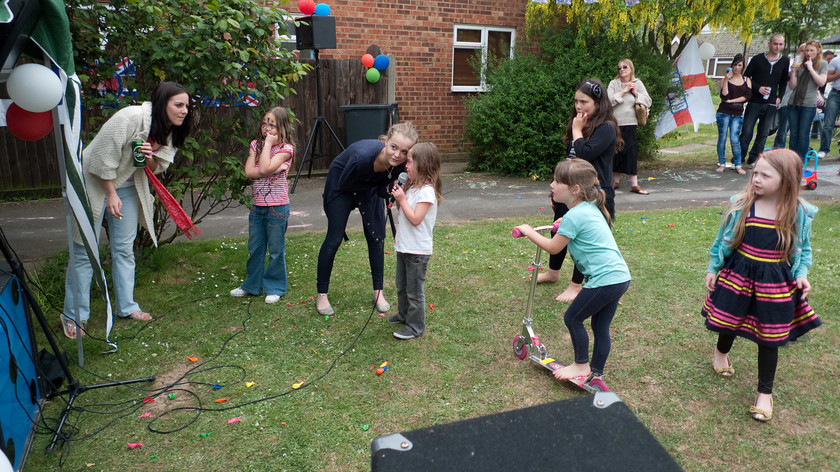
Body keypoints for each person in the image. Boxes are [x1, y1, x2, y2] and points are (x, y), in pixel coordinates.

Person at [62, 82, 192, 338]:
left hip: (129, 185)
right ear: (161, 103)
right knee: (84, 250)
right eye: (179, 105)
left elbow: (157, 167)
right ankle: (74, 315)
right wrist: (110, 193)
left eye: (187, 105)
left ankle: (126, 306)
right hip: (92, 181)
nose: (185, 110)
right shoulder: (130, 117)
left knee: (124, 247)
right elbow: (101, 157)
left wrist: (149, 155)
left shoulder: (169, 130)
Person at [702, 149, 821, 422]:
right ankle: (721, 354)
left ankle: (764, 394)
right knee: (729, 320)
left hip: (775, 282)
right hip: (739, 275)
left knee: (770, 336)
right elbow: (723, 240)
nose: (756, 178)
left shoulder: (798, 212)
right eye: (755, 172)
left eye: (765, 175)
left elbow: (802, 250)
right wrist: (713, 267)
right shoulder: (741, 203)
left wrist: (801, 274)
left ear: (787, 179)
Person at [515, 159, 631, 382]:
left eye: (558, 181)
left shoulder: (574, 216)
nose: (551, 184)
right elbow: (574, 227)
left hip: (604, 280)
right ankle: (595, 371)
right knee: (600, 325)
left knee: (573, 318)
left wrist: (528, 231)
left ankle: (580, 365)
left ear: (575, 189)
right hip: (619, 277)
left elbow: (553, 247)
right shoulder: (588, 208)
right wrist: (562, 223)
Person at [315, 122, 418, 316]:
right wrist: (378, 188)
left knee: (376, 237)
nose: (397, 155)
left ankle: (378, 292)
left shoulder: (399, 166)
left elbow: (382, 189)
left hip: (368, 185)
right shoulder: (362, 157)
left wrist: (389, 188)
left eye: (404, 151)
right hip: (342, 184)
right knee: (334, 238)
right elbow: (346, 183)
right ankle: (322, 294)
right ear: (386, 141)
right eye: (393, 147)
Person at [537, 78, 623, 303]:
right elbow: (571, 160)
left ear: (598, 103)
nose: (578, 106)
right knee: (560, 229)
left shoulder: (606, 128)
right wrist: (557, 191)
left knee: (582, 239)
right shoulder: (580, 121)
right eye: (576, 101)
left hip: (595, 193)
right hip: (572, 190)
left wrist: (577, 130)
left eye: (584, 101)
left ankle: (576, 285)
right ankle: (553, 272)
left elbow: (584, 153)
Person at [229, 107, 294, 304]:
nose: (266, 128)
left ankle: (275, 287)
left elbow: (263, 167)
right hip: (257, 206)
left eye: (271, 124)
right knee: (255, 247)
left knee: (275, 250)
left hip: (278, 206)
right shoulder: (255, 144)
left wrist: (267, 149)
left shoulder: (286, 148)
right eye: (264, 123)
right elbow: (249, 172)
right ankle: (252, 285)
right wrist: (270, 170)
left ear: (281, 127)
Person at [387, 142, 442, 340]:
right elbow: (405, 215)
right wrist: (399, 199)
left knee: (414, 291)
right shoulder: (411, 188)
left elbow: (416, 219)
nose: (406, 166)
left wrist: (402, 200)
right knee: (401, 285)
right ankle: (403, 314)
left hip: (417, 251)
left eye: (409, 162)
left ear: (423, 164)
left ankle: (415, 326)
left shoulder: (426, 191)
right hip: (404, 247)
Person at [740, 34, 790, 167]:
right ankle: (739, 157)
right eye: (775, 44)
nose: (777, 47)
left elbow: (784, 81)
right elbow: (746, 77)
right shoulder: (757, 59)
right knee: (747, 130)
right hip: (755, 101)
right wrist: (757, 88)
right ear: (769, 44)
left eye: (780, 44)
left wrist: (779, 97)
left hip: (771, 102)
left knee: (763, 132)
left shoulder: (785, 61)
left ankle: (754, 158)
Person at [608, 58, 652, 194]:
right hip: (616, 122)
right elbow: (608, 101)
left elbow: (648, 100)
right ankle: (615, 181)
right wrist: (623, 91)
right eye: (619, 68)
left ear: (631, 69)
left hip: (631, 122)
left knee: (631, 152)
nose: (622, 70)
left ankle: (634, 184)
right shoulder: (614, 83)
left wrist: (635, 93)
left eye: (625, 67)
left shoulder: (637, 83)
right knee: (616, 151)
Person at [787, 40, 828, 160]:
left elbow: (821, 82)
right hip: (793, 102)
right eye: (807, 50)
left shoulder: (822, 64)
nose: (809, 53)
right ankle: (792, 161)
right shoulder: (801, 63)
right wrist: (794, 71)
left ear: (818, 50)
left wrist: (810, 68)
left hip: (808, 103)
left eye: (811, 50)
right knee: (794, 134)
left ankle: (801, 161)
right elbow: (792, 86)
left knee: (803, 134)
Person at [715, 55, 752, 174]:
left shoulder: (746, 80)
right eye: (735, 65)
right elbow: (724, 95)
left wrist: (732, 100)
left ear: (743, 67)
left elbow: (747, 97)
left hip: (737, 113)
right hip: (724, 112)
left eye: (739, 65)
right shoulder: (725, 79)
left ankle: (738, 164)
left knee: (735, 139)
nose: (736, 68)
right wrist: (726, 79)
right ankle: (722, 163)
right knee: (722, 138)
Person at [773, 43, 806, 150]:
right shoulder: (792, 62)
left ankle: (796, 151)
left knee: (799, 130)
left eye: (807, 50)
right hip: (788, 100)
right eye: (802, 50)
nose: (804, 53)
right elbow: (786, 76)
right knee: (784, 127)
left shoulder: (811, 65)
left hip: (804, 102)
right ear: (797, 51)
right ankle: (778, 148)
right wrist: (794, 70)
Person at [817, 51, 840, 158]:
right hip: (836, 93)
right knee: (828, 123)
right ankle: (824, 149)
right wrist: (838, 74)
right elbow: (827, 78)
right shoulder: (836, 60)